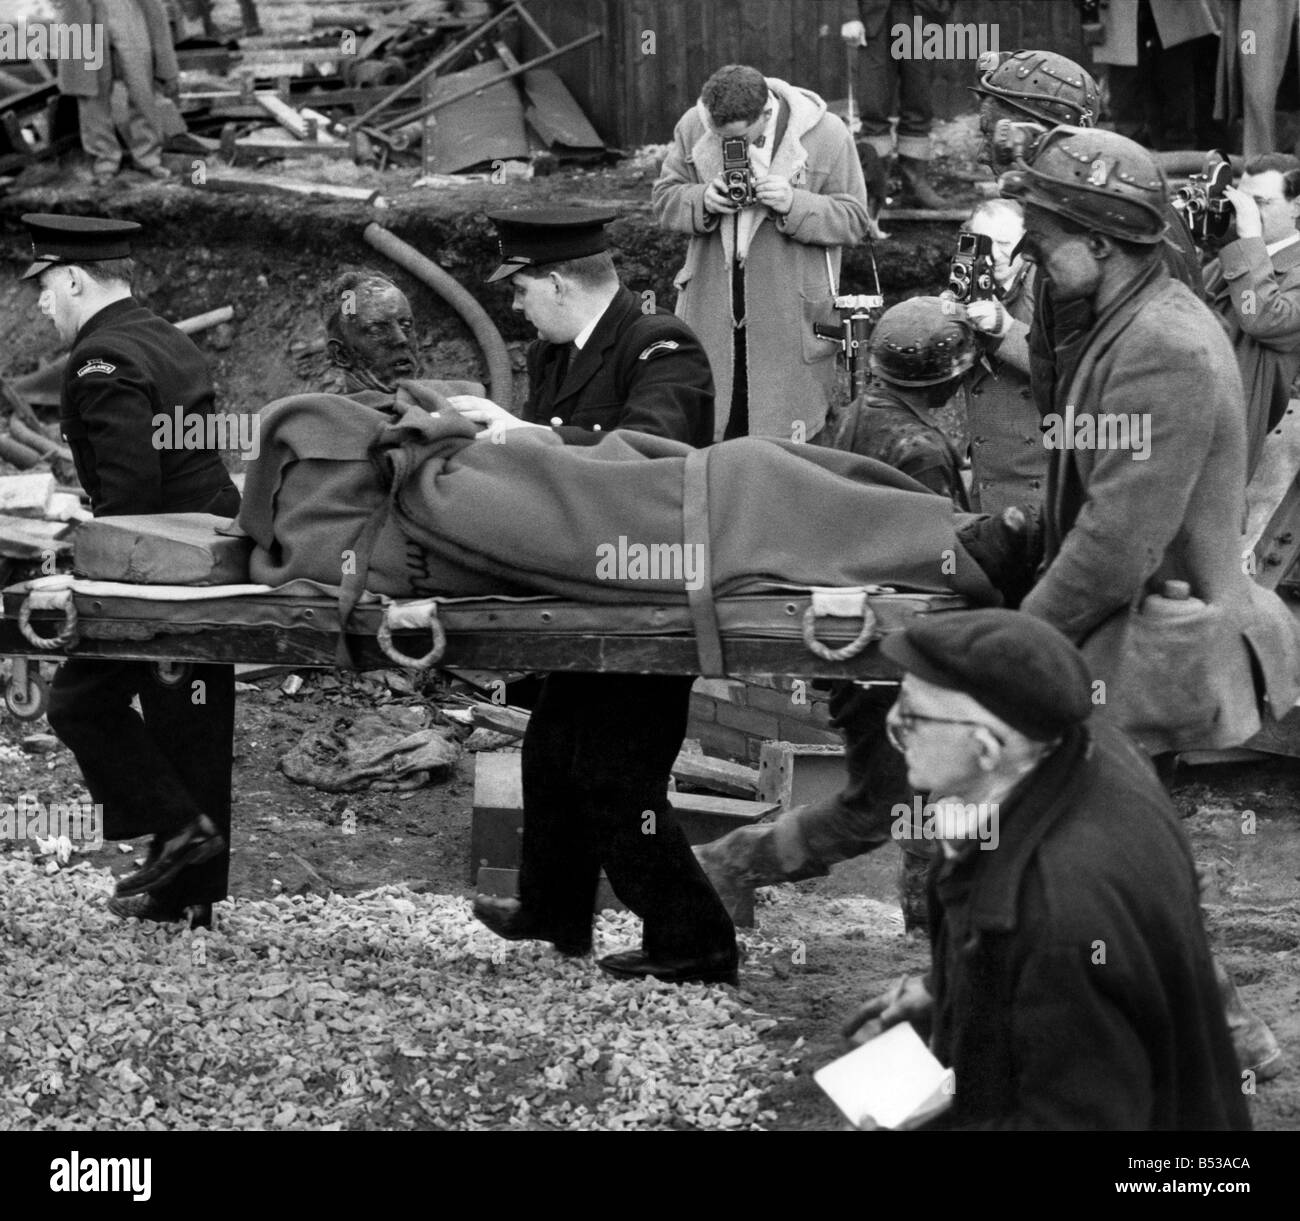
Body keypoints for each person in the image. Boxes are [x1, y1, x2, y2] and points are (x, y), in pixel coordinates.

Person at [457, 207, 738, 986]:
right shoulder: (557, 353)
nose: (515, 306)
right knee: (552, 746)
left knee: (617, 777)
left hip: (655, 597)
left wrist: (523, 435)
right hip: (590, 591)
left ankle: (697, 939)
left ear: (553, 282)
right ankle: (555, 909)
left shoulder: (660, 345)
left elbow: (648, 461)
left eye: (520, 291)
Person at [843, 609, 1250, 1131]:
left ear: (986, 747)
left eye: (912, 719)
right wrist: (948, 990)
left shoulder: (1060, 917)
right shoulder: (1088, 746)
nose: (893, 729)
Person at [22, 213, 239, 928]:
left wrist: (72, 567)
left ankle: (177, 832)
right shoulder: (164, 335)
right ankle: (189, 896)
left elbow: (129, 497)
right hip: (214, 548)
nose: (41, 302)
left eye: (47, 285)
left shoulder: (98, 360)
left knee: (77, 703)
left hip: (158, 564)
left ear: (77, 278)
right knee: (191, 718)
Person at [652, 64, 869, 443]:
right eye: (718, 137)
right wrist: (703, 198)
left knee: (790, 449)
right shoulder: (693, 125)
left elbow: (854, 220)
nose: (727, 145)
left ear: (766, 114)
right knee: (711, 438)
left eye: (739, 138)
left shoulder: (828, 133)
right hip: (713, 312)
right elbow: (664, 201)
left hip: (788, 316)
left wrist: (793, 204)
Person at [1203, 153, 1300, 478]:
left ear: (1297, 206)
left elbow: (1262, 318)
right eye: (1243, 201)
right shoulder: (1230, 260)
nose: (1247, 211)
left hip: (1233, 436)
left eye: (1261, 202)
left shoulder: (1251, 257)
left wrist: (1249, 240)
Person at [958, 199, 1045, 516]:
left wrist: (1004, 329)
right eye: (983, 244)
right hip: (989, 474)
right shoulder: (968, 279)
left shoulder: (1051, 285)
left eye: (1005, 244)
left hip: (1039, 478)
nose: (994, 255)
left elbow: (1068, 368)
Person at [54, 0, 180, 186]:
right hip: (83, 10)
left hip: (128, 8)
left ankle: (148, 157)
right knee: (92, 94)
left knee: (142, 88)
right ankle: (104, 161)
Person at [841, 1, 951, 209]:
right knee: (873, 106)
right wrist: (850, 16)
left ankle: (915, 185)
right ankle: (874, 188)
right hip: (875, 20)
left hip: (922, 16)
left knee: (919, 103)